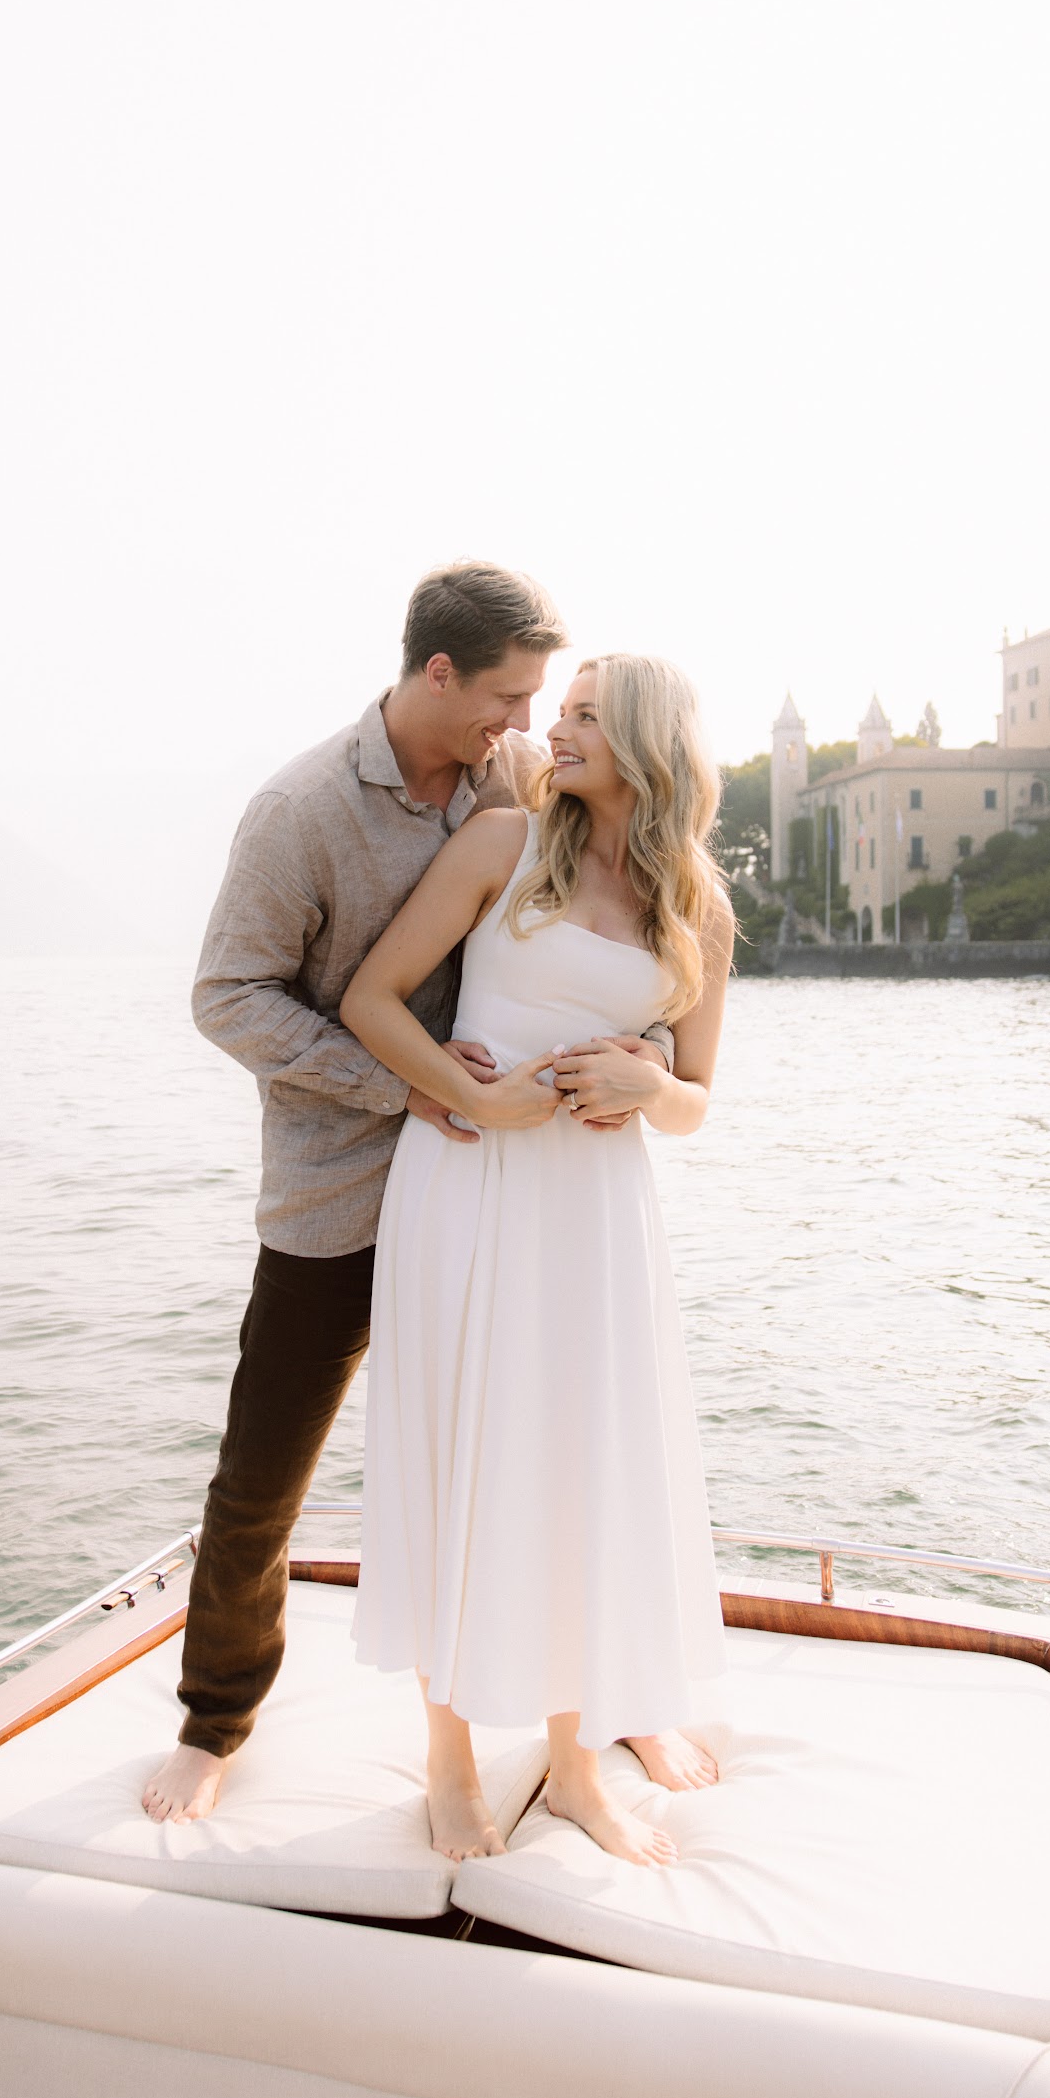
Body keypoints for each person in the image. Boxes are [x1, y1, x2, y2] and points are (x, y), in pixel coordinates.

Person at [141, 564, 568, 1823]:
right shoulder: (301, 810)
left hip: (494, 1185)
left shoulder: (514, 778)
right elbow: (226, 996)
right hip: (339, 1195)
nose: (525, 721)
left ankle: (586, 1708)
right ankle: (213, 1723)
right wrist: (405, 1085)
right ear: (436, 671)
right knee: (262, 1478)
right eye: (507, 695)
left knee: (536, 1452)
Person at [341, 654, 733, 1867]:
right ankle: (449, 1758)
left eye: (582, 718)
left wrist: (647, 1082)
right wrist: (470, 1094)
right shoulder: (501, 844)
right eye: (555, 713)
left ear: (649, 745)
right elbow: (372, 1000)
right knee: (453, 1450)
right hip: (466, 1181)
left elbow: (696, 1100)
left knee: (580, 1467)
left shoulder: (697, 909)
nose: (551, 731)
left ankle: (572, 1764)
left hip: (594, 1217)